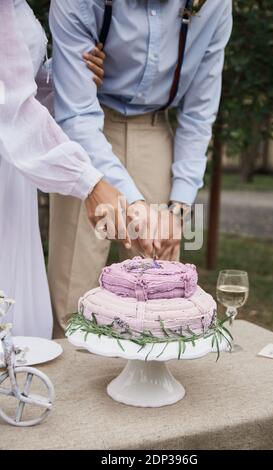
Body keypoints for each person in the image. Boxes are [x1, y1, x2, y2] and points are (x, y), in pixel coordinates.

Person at [48, 0, 233, 336]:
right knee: (71, 291)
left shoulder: (216, 4)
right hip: (89, 127)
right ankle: (70, 378)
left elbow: (199, 112)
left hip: (156, 129)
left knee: (160, 292)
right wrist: (135, 206)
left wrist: (178, 208)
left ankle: (147, 381)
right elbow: (75, 114)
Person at [0, 0, 132, 338]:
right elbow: (10, 111)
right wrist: (89, 182)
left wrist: (69, 75)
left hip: (15, 173)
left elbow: (21, 90)